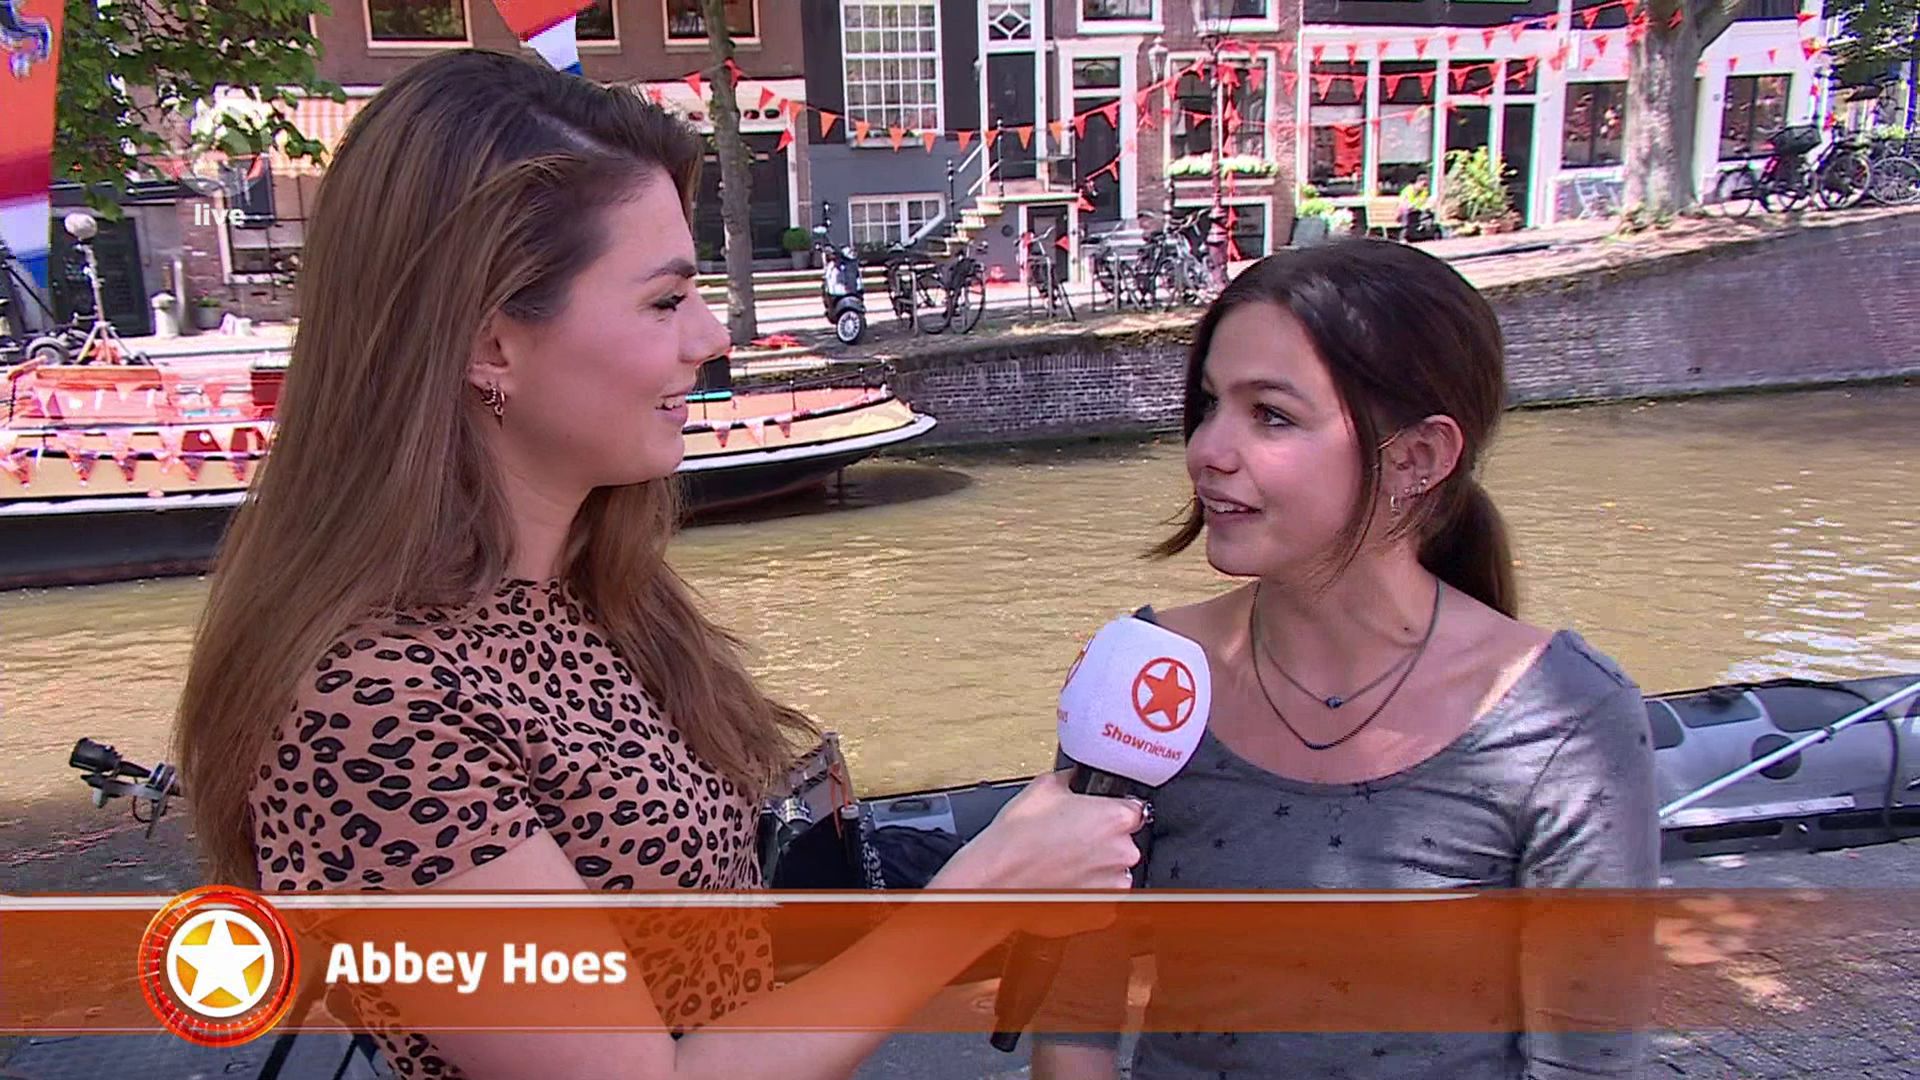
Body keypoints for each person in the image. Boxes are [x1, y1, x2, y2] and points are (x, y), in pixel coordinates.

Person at [172, 49, 1145, 1080]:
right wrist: (979, 897)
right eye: (665, 300)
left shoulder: (584, 592)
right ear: (490, 345)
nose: (712, 337)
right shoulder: (370, 704)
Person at [1031, 239, 1658, 1079]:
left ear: (1416, 458)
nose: (1207, 450)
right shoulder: (1144, 678)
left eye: (1271, 415)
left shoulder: (1566, 721)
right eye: (1211, 403)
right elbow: (1076, 1007)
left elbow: (1587, 1062)